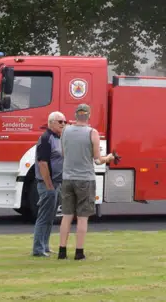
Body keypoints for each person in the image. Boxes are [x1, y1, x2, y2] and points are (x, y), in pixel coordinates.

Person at [56, 104, 116, 260]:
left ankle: (62, 251)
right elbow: (97, 160)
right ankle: (79, 252)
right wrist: (109, 158)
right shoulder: (92, 133)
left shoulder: (65, 131)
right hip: (85, 179)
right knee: (82, 217)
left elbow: (63, 153)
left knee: (67, 215)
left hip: (67, 178)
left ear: (76, 115)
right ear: (88, 116)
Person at [31, 111, 66, 257]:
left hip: (56, 184)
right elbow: (43, 164)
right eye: (60, 122)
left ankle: (44, 245)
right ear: (51, 123)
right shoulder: (46, 138)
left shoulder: (59, 138)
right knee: (44, 216)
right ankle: (38, 249)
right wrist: (49, 185)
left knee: (50, 217)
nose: (63, 124)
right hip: (48, 184)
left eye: (64, 122)